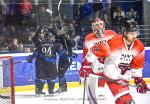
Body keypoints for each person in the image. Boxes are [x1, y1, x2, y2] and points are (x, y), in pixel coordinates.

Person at [92, 20, 149, 104]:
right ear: (125, 33)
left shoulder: (139, 47)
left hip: (123, 79)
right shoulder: (114, 42)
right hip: (110, 78)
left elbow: (136, 66)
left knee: (127, 101)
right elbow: (95, 51)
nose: (134, 36)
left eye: (136, 33)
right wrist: (99, 61)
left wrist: (138, 81)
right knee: (124, 101)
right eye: (131, 33)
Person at [27, 26, 67, 96]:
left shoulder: (40, 44)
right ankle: (51, 91)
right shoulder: (56, 44)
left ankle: (38, 92)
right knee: (52, 77)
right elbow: (62, 53)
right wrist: (69, 54)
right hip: (51, 64)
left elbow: (36, 53)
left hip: (41, 64)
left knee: (41, 77)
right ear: (51, 37)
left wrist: (30, 58)